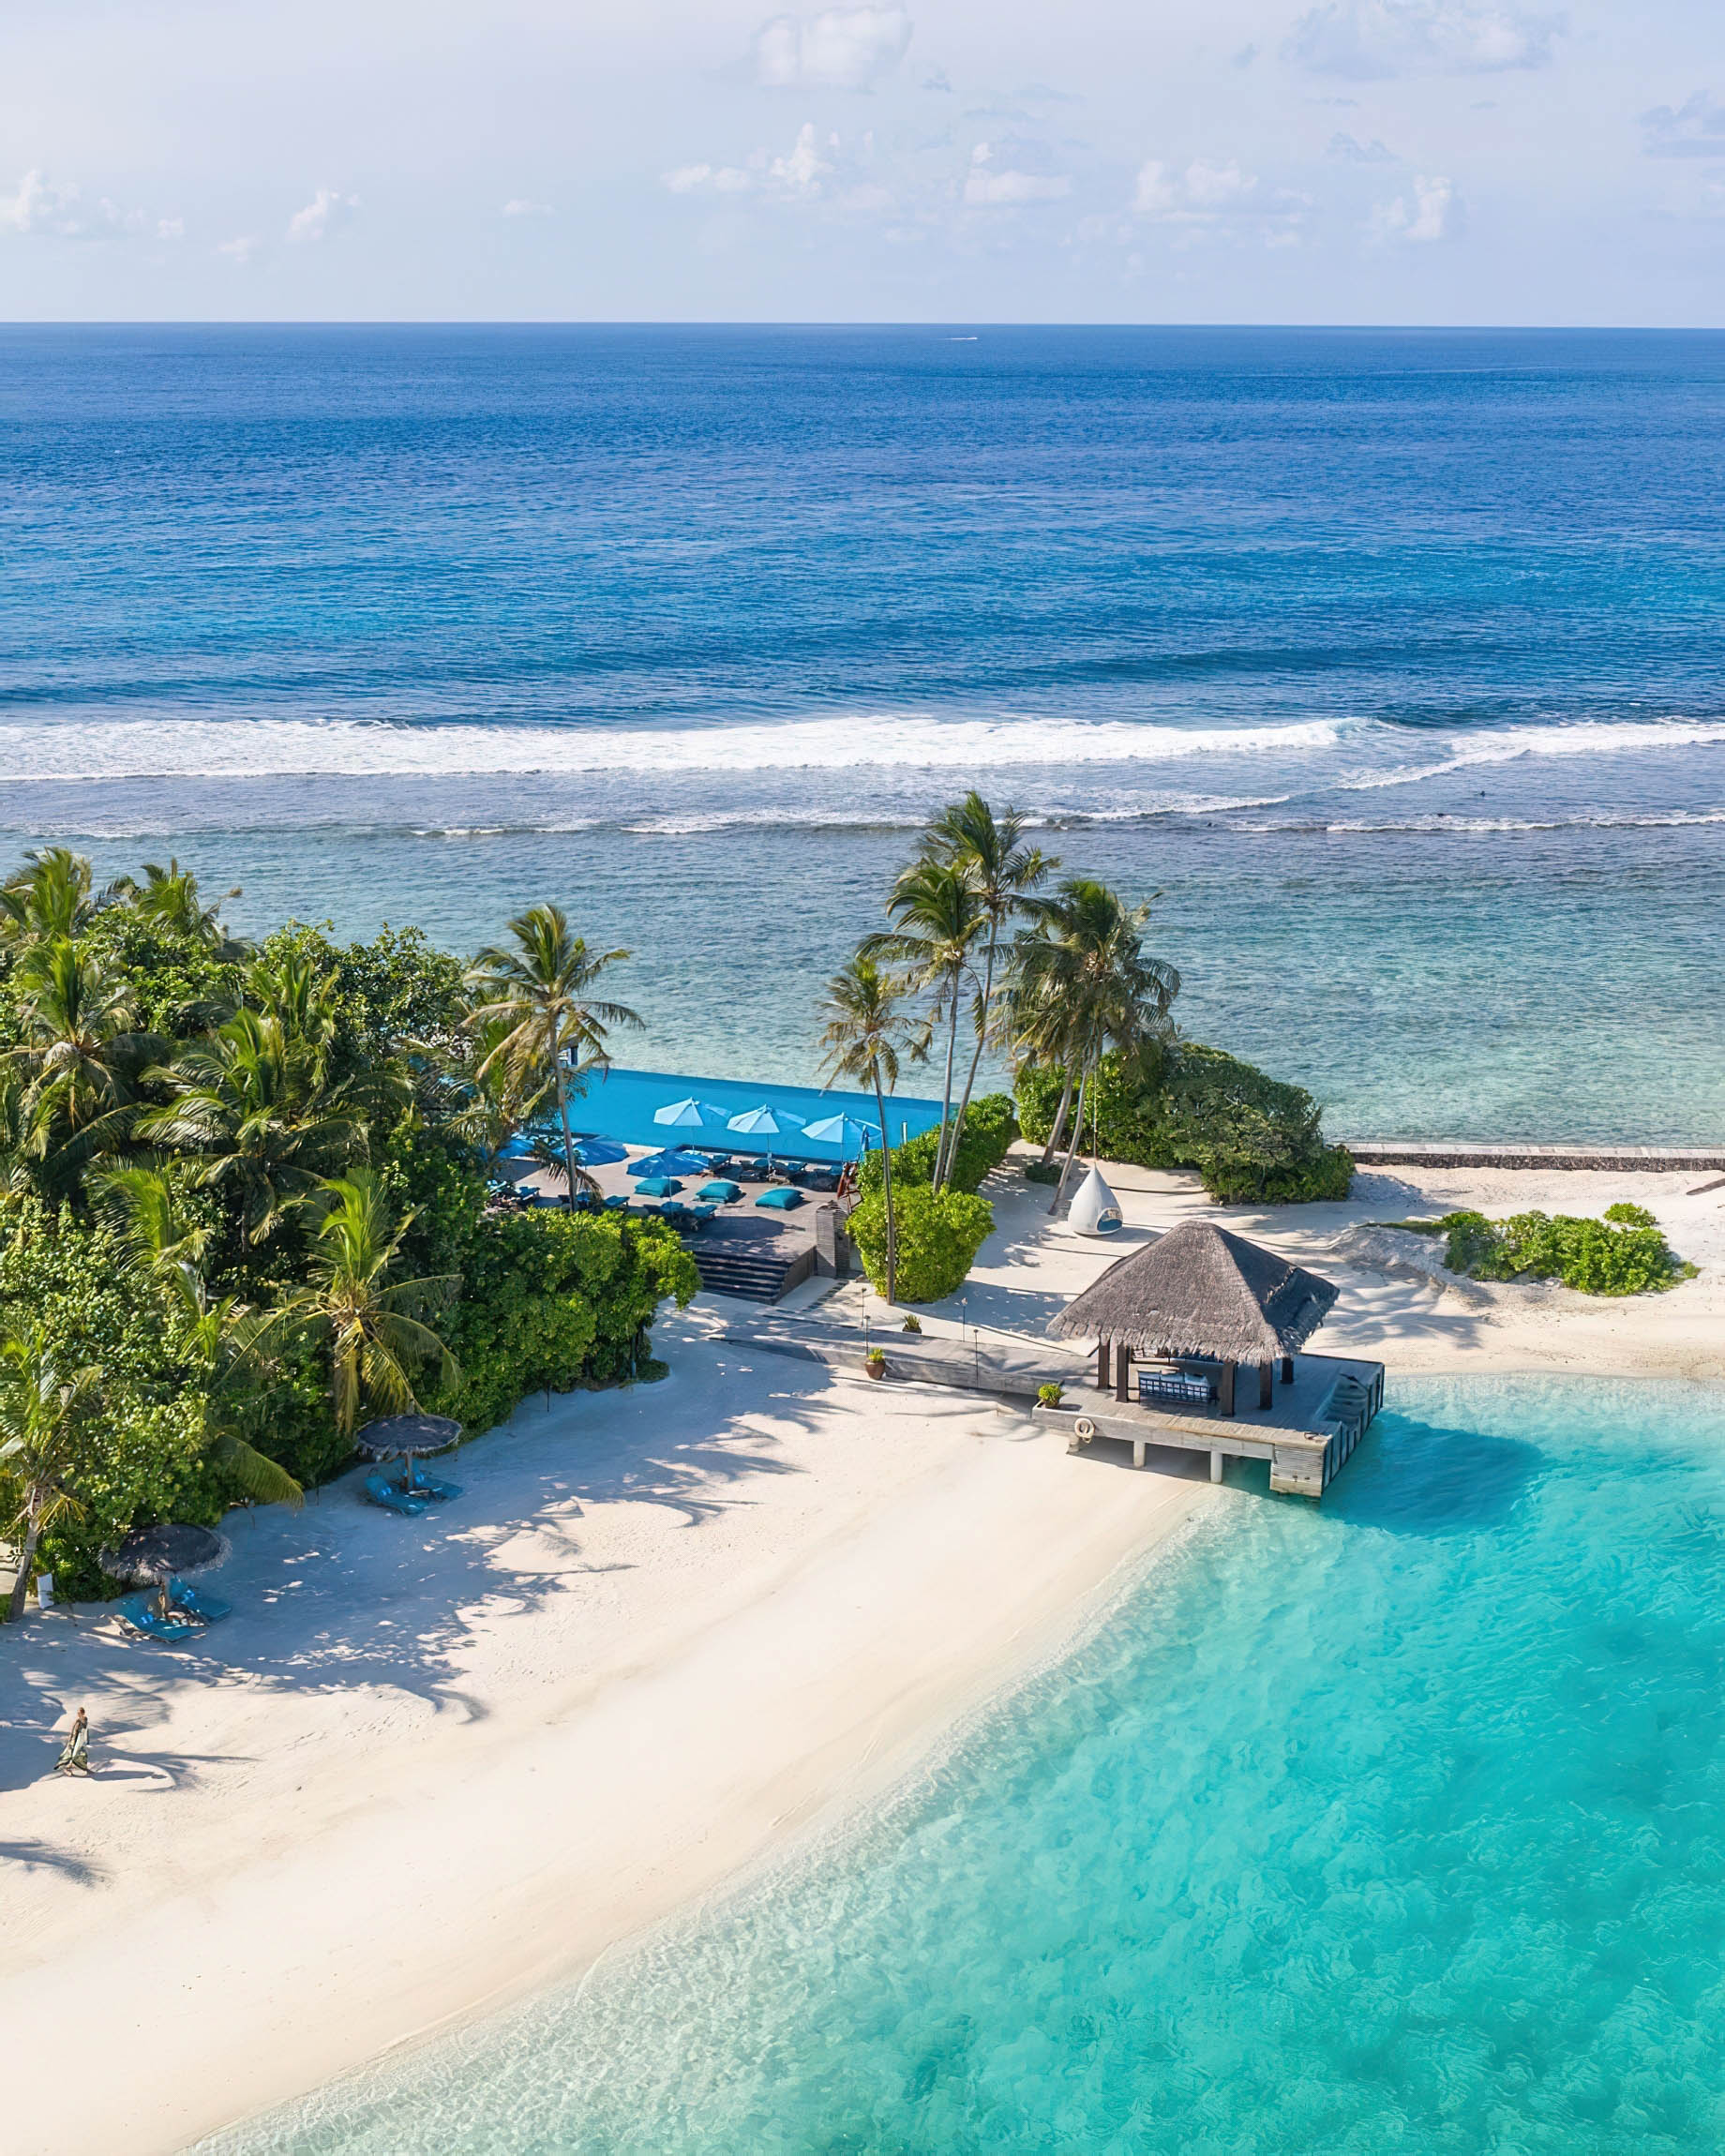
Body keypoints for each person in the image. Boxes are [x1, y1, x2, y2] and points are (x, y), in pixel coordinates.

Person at [54, 1708, 89, 1776]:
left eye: (80, 1713)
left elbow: (85, 1729)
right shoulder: (78, 1720)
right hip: (75, 1738)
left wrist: (86, 1739)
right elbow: (73, 1729)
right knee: (73, 1752)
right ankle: (68, 1766)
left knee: (81, 1753)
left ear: (83, 1713)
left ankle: (82, 1766)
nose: (78, 1714)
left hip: (81, 1738)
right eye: (78, 1713)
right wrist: (71, 1737)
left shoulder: (84, 1719)